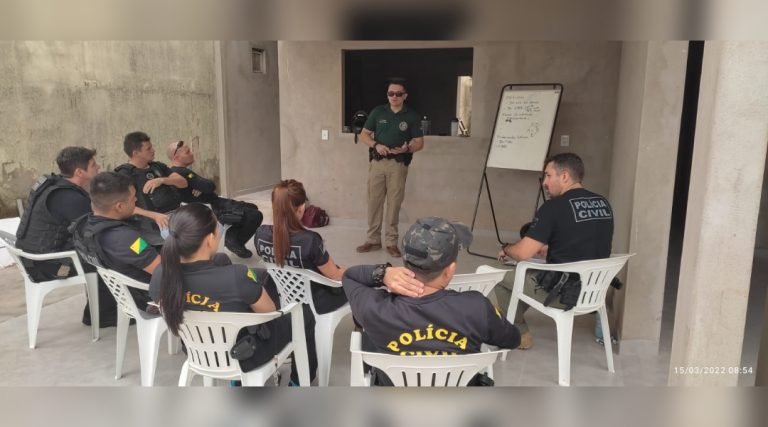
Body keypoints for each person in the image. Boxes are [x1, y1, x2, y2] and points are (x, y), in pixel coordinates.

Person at [343, 216, 521, 385]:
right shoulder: (477, 308)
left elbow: (349, 277)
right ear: (450, 270)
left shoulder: (375, 309)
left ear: (404, 262)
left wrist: (383, 273)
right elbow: (513, 340)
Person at [148, 203, 308, 384]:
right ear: (209, 239)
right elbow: (269, 312)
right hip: (244, 353)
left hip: (198, 350)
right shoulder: (237, 277)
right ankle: (298, 381)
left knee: (233, 267)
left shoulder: (161, 274)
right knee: (305, 316)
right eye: (218, 228)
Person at [495, 152, 614, 349]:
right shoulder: (603, 203)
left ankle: (520, 335)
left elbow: (522, 253)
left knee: (499, 276)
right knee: (520, 278)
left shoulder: (553, 207)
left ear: (565, 176)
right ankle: (510, 317)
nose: (545, 183)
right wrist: (549, 247)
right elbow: (588, 239)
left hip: (562, 293)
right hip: (595, 290)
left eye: (549, 176)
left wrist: (506, 248)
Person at [254, 179, 346, 379]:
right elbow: (335, 276)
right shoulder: (311, 240)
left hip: (282, 296)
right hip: (316, 299)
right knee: (355, 284)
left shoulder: (260, 235)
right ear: (302, 207)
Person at [15, 147, 118, 326]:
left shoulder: (54, 185)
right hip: (48, 265)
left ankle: (101, 309)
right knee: (109, 253)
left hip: (33, 258)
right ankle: (102, 314)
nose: (99, 167)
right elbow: (95, 231)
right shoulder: (69, 197)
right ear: (79, 172)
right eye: (93, 165)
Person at [355, 78, 425, 258]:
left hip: (398, 165)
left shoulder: (412, 116)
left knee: (394, 204)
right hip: (377, 163)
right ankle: (372, 240)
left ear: (405, 96)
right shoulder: (378, 112)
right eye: (390, 93)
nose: (394, 96)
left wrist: (407, 148)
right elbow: (363, 135)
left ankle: (391, 242)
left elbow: (419, 142)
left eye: (398, 94)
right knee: (374, 202)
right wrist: (375, 145)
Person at [71, 172, 157, 310]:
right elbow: (164, 271)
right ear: (119, 207)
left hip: (126, 295)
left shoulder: (83, 227)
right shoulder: (129, 240)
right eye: (133, 198)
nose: (136, 200)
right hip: (151, 298)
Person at [166, 140, 263, 258]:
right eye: (187, 152)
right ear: (177, 157)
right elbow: (210, 186)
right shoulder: (182, 172)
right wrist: (201, 186)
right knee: (255, 215)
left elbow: (205, 186)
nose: (192, 153)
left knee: (252, 208)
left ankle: (233, 235)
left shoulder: (175, 173)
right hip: (214, 208)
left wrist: (200, 186)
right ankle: (233, 240)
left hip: (213, 205)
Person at [115, 131, 188, 233]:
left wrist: (162, 180)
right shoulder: (124, 175)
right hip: (150, 225)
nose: (153, 150)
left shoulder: (158, 167)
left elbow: (183, 182)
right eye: (148, 149)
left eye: (152, 147)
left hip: (176, 214)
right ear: (135, 153)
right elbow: (124, 207)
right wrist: (155, 216)